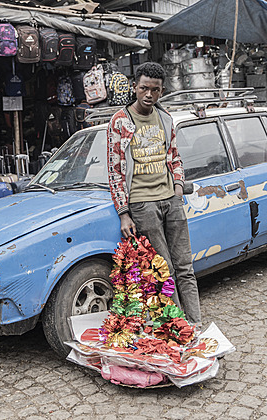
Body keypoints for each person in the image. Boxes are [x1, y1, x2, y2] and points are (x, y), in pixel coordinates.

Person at [106, 62, 202, 327]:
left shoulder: (166, 118)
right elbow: (114, 170)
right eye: (144, 88)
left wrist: (179, 189)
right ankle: (176, 327)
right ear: (135, 88)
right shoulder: (120, 122)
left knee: (185, 267)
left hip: (170, 199)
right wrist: (124, 213)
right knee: (163, 270)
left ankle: (195, 324)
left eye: (155, 90)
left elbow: (174, 156)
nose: (149, 95)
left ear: (161, 92)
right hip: (142, 205)